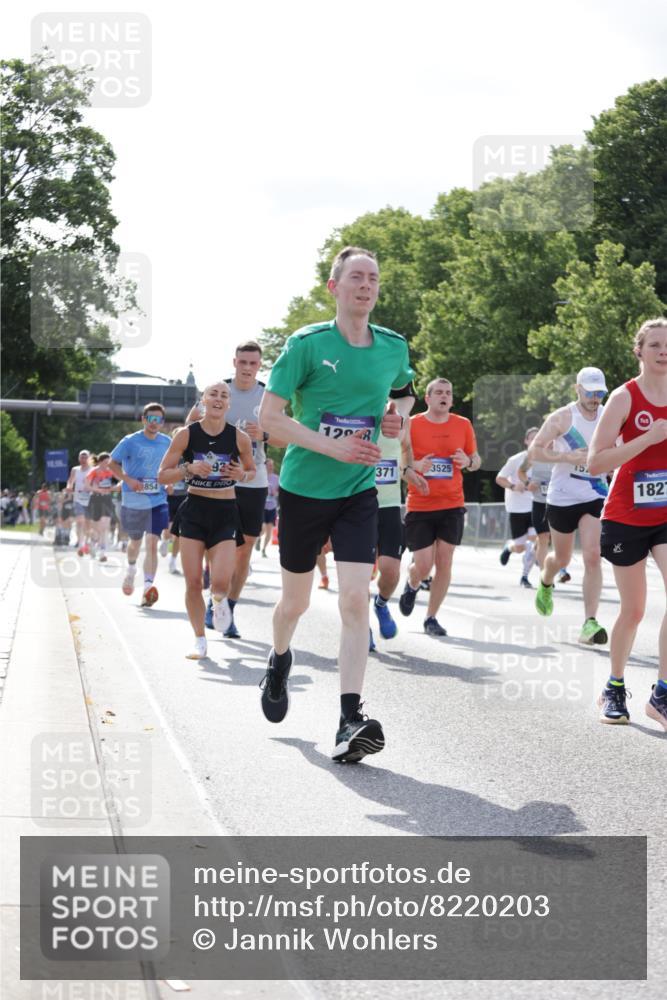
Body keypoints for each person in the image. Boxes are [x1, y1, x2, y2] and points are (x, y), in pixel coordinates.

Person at [258, 245, 414, 763]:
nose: (366, 285)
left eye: (373, 277)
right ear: (334, 287)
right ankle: (280, 658)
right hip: (304, 491)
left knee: (354, 600)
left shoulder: (392, 347)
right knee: (295, 604)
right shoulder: (306, 345)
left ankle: (350, 719)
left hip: (358, 492)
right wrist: (334, 446)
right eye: (355, 277)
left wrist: (394, 418)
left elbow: (402, 393)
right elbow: (271, 419)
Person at [588, 319, 667, 729]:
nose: (663, 351)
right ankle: (615, 687)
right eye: (655, 344)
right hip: (625, 516)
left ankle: (662, 694)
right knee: (634, 610)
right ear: (639, 350)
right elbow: (595, 461)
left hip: (666, 515)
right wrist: (646, 439)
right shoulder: (624, 398)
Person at [187, 342, 281, 638]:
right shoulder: (218, 392)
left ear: (259, 365)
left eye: (253, 363)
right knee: (218, 546)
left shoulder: (267, 395)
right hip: (217, 481)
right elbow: (189, 426)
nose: (247, 368)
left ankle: (227, 608)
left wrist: (264, 434)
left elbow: (287, 439)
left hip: (253, 480)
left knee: (244, 551)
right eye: (242, 362)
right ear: (234, 362)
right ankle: (216, 591)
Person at [159, 382, 255, 659]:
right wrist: (187, 468)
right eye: (213, 394)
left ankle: (219, 601)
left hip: (225, 511)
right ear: (203, 401)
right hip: (195, 509)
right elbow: (162, 474)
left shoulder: (239, 438)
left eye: (224, 395)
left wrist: (241, 475)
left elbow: (250, 471)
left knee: (221, 582)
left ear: (228, 404)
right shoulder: (186, 435)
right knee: (192, 582)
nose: (218, 398)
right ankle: (199, 639)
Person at [528, 367, 609, 644]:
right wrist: (566, 457)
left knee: (592, 555)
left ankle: (589, 622)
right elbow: (535, 450)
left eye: (600, 392)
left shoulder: (609, 415)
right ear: (577, 388)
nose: (595, 398)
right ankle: (546, 580)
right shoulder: (563, 417)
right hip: (562, 497)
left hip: (595, 493)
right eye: (590, 392)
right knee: (561, 559)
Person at [398, 378, 480, 635]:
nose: (444, 396)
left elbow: (476, 460)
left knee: (444, 562)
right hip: (420, 504)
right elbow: (401, 468)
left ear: (452, 400)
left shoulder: (463, 424)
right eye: (439, 393)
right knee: (423, 565)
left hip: (452, 503)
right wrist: (414, 468)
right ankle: (412, 584)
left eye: (448, 393)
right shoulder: (412, 425)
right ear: (428, 397)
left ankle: (431, 617)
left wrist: (468, 461)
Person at [369, 408, 425, 647]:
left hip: (390, 506)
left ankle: (381, 603)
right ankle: (362, 629)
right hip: (358, 504)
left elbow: (405, 449)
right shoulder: (358, 408)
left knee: (391, 571)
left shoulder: (403, 419)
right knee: (358, 576)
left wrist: (408, 470)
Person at [109, 403, 171, 607]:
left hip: (158, 499)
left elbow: (171, 467)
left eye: (158, 420)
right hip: (134, 500)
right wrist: (128, 480)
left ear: (162, 422)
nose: (154, 423)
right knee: (135, 543)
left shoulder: (167, 442)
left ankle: (147, 587)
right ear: (143, 419)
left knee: (152, 542)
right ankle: (131, 569)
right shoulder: (130, 441)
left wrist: (169, 482)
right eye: (151, 419)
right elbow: (111, 463)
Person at [496, 428, 539, 588]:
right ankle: (510, 547)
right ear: (526, 441)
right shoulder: (516, 460)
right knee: (520, 547)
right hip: (517, 508)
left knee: (537, 541)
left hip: (536, 506)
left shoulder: (546, 460)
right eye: (532, 439)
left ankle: (525, 576)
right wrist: (514, 486)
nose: (536, 442)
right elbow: (499, 478)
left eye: (539, 439)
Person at [86, 453, 118, 562]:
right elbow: (86, 485)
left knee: (105, 527)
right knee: (96, 529)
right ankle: (93, 543)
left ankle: (102, 553)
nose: (107, 465)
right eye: (105, 462)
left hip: (107, 499)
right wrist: (97, 489)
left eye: (109, 463)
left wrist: (114, 487)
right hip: (96, 499)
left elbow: (121, 478)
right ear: (100, 462)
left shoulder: (110, 471)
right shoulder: (93, 471)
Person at [66, 450, 93, 555]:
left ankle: (87, 543)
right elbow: (70, 481)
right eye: (81, 457)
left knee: (88, 524)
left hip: (90, 500)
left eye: (85, 457)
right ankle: (81, 545)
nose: (83, 459)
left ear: (89, 458)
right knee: (80, 521)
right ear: (79, 458)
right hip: (78, 499)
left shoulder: (92, 470)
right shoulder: (75, 469)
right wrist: (69, 487)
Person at [258, 458, 279, 557]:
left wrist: (275, 492)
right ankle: (258, 539)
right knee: (262, 529)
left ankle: (264, 549)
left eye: (272, 465)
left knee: (269, 530)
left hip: (272, 507)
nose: (271, 467)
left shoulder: (276, 478)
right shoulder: (260, 477)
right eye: (269, 465)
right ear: (264, 466)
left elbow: (279, 491)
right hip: (261, 506)